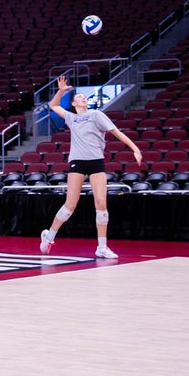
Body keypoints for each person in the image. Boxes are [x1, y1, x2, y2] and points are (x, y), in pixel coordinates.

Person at [40, 75, 142, 258]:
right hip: (77, 161)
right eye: (79, 97)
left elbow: (116, 132)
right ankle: (49, 236)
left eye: (84, 97)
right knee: (70, 204)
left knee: (101, 203)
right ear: (73, 104)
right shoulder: (71, 117)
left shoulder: (96, 115)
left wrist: (135, 148)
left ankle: (102, 247)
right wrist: (61, 91)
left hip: (96, 161)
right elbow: (53, 106)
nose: (83, 98)